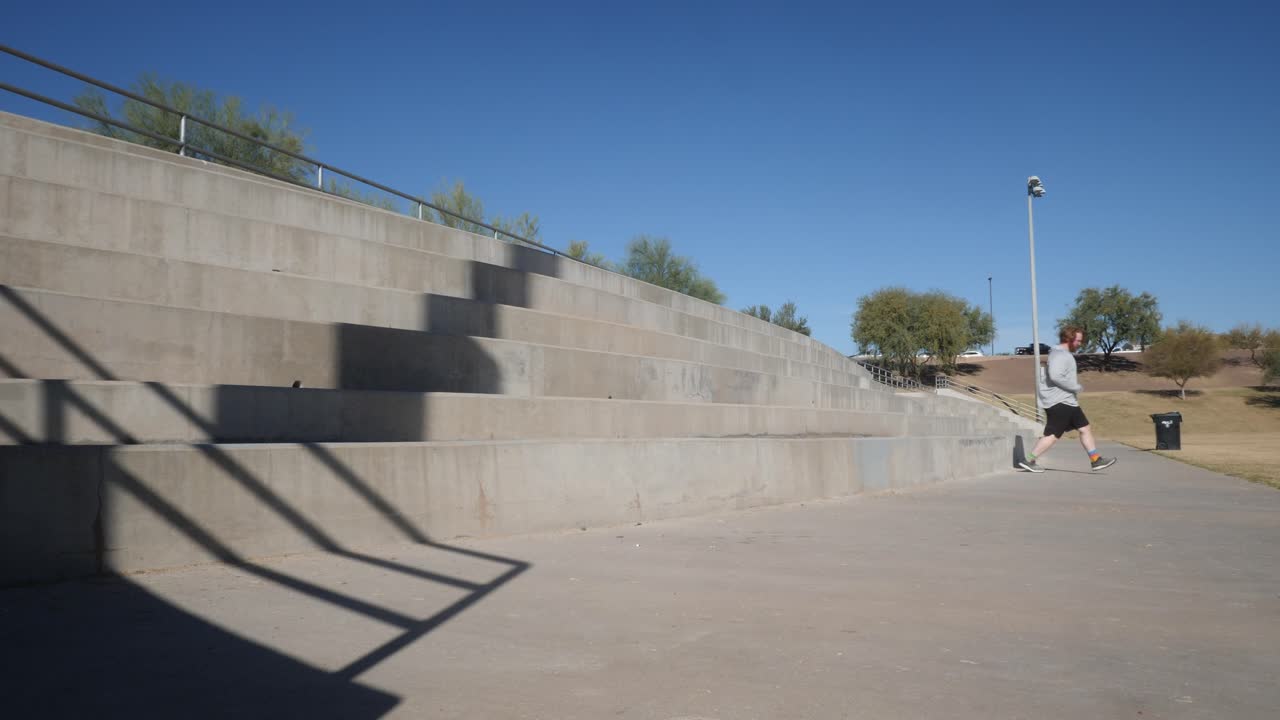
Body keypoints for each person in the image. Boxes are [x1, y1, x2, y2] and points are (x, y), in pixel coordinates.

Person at [1018, 326, 1117, 473]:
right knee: (1052, 435)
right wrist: (1074, 387)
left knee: (1084, 428)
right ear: (1068, 339)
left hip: (1068, 401)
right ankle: (1030, 460)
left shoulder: (1062, 354)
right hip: (1059, 401)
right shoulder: (1059, 355)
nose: (1079, 344)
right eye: (1078, 341)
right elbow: (1055, 376)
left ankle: (1095, 460)